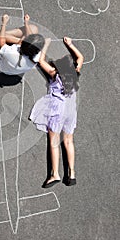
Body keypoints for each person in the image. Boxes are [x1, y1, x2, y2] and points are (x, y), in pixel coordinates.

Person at [29, 37, 84, 188]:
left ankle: (55, 174)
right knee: (68, 141)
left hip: (57, 111)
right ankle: (71, 173)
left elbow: (41, 61)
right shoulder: (75, 74)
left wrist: (46, 44)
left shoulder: (54, 74)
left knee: (54, 142)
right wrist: (70, 45)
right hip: (70, 112)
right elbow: (80, 57)